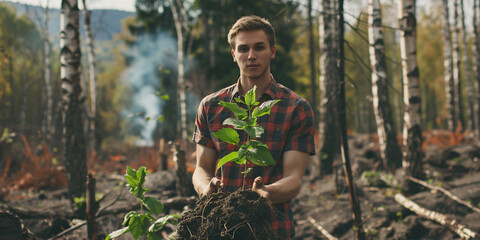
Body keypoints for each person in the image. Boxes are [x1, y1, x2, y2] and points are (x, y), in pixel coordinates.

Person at [192, 15, 315, 239]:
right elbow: (201, 168)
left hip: (271, 228)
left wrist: (265, 193)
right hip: (220, 229)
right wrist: (205, 189)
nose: (251, 56)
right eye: (243, 49)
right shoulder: (211, 106)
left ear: (273, 51)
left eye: (259, 47)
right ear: (234, 55)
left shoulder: (295, 108)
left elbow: (294, 179)